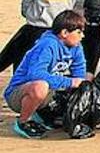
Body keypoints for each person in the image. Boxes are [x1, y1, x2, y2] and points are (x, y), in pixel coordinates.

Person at [5, 9, 87, 139]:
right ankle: (23, 122)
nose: (82, 36)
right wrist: (69, 82)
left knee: (83, 85)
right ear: (64, 33)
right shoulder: (47, 45)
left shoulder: (77, 47)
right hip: (20, 94)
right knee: (40, 86)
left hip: (50, 92)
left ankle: (45, 116)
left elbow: (80, 74)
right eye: (79, 32)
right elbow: (35, 75)